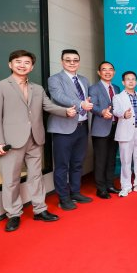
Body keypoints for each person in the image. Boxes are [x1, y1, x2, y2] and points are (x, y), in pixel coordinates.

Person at [0, 50, 76, 232]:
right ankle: (13, 214)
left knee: (36, 177)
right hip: (11, 142)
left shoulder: (37, 88)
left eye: (27, 62)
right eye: (18, 62)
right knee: (11, 180)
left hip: (35, 138)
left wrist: (65, 111)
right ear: (10, 64)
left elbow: (48, 106)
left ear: (32, 67)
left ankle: (40, 209)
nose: (22, 65)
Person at [47, 49, 94, 211]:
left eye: (75, 60)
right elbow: (59, 97)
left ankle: (75, 192)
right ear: (62, 62)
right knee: (62, 165)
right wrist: (81, 103)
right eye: (68, 60)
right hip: (63, 128)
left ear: (79, 62)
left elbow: (88, 100)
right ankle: (63, 198)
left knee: (77, 163)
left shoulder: (84, 80)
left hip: (82, 126)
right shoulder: (54, 79)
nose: (72, 63)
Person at [112, 71, 137, 197]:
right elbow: (115, 111)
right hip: (125, 132)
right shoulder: (117, 97)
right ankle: (126, 186)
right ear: (123, 82)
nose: (131, 81)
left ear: (136, 82)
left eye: (133, 79)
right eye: (128, 79)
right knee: (125, 161)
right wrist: (123, 114)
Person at [88, 61, 121, 199]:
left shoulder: (117, 88)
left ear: (114, 72)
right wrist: (102, 112)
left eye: (110, 69)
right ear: (99, 72)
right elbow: (92, 105)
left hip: (115, 127)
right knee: (101, 160)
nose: (108, 72)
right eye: (104, 69)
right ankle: (100, 188)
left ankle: (110, 185)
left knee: (112, 158)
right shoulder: (94, 88)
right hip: (100, 128)